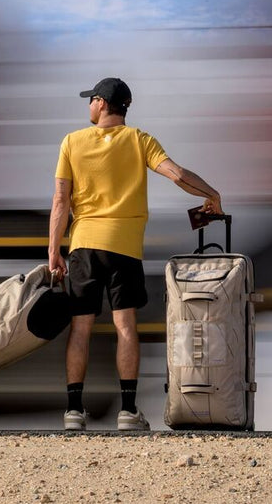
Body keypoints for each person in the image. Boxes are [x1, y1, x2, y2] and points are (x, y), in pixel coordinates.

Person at [48, 77, 222, 431]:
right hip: (124, 248)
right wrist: (211, 193)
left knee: (81, 328)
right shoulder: (140, 140)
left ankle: (73, 412)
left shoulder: (72, 142)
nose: (89, 107)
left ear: (100, 102)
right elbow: (176, 175)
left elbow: (61, 202)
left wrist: (54, 250)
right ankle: (128, 411)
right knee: (125, 326)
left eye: (90, 101)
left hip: (83, 246)